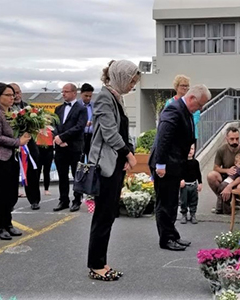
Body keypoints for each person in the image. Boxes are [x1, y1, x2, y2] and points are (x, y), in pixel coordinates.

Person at [87, 60, 139, 281]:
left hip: (115, 164)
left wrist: (126, 154)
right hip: (106, 166)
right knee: (103, 215)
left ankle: (101, 261)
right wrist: (128, 154)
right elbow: (109, 132)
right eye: (131, 81)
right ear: (120, 77)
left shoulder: (116, 97)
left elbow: (122, 130)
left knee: (108, 215)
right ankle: (96, 265)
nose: (132, 86)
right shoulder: (104, 98)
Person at [149, 84, 211, 251]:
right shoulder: (173, 110)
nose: (200, 108)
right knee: (165, 203)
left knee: (172, 203)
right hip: (165, 165)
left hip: (175, 164)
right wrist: (160, 165)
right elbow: (163, 138)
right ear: (192, 98)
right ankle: (166, 239)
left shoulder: (185, 110)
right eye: (199, 104)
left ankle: (173, 235)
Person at [0, 82, 31, 240]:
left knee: (11, 193)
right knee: (2, 193)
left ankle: (8, 224)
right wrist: (18, 142)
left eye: (13, 95)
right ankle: (0, 227)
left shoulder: (13, 112)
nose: (12, 97)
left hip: (12, 156)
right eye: (8, 95)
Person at [53, 83, 87, 212]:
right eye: (62, 91)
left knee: (76, 175)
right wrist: (58, 138)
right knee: (62, 175)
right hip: (61, 147)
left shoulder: (81, 109)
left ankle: (77, 200)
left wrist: (63, 138)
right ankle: (63, 200)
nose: (63, 94)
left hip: (74, 147)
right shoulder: (58, 109)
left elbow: (79, 127)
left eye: (66, 91)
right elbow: (54, 125)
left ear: (74, 93)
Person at [10, 83, 41, 210]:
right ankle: (10, 202)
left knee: (32, 173)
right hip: (12, 145)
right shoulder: (5, 110)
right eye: (13, 93)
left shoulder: (29, 108)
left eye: (18, 92)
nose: (16, 96)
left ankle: (34, 200)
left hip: (29, 145)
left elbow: (38, 125)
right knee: (11, 176)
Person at [207, 126, 240, 214]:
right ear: (226, 138)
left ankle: (233, 201)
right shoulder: (221, 150)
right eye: (232, 139)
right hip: (227, 177)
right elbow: (216, 168)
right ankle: (224, 201)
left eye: (237, 138)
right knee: (211, 176)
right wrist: (227, 170)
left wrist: (230, 186)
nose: (235, 141)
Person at [164, 75, 201, 141]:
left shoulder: (192, 100)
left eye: (187, 86)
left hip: (190, 135)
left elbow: (196, 115)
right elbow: (167, 117)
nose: (185, 88)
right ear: (177, 87)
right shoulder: (170, 102)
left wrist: (185, 125)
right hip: (174, 136)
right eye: (183, 85)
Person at [179, 143, 202, 225]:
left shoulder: (196, 162)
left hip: (193, 185)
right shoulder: (181, 162)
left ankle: (193, 214)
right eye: (188, 149)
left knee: (194, 200)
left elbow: (198, 173)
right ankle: (184, 214)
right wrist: (180, 180)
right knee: (183, 201)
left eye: (192, 149)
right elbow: (179, 173)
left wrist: (200, 183)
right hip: (184, 185)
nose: (190, 151)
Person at [36, 127, 54, 196]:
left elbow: (55, 133)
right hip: (39, 147)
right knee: (37, 170)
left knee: (47, 170)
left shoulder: (51, 125)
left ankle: (46, 189)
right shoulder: (37, 124)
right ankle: (36, 189)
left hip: (49, 148)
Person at [79, 83, 94, 158]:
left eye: (90, 96)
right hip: (80, 137)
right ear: (81, 94)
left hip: (92, 137)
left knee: (91, 159)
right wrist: (84, 124)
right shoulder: (76, 106)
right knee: (79, 159)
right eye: (86, 96)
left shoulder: (95, 106)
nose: (88, 98)